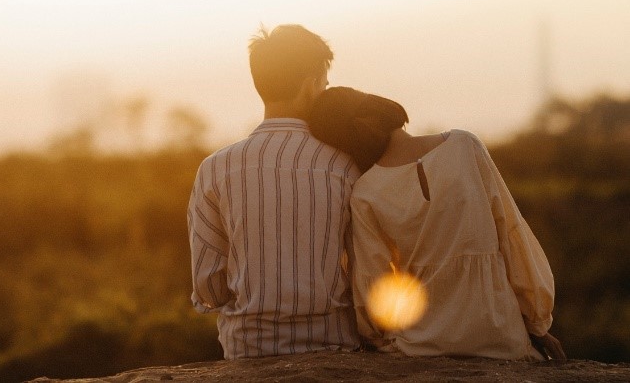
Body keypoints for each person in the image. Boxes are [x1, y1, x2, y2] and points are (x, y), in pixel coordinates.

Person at [307, 86, 567, 361]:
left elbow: (375, 286)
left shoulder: (365, 193)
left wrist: (377, 337)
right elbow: (512, 235)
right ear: (379, 105)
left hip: (420, 345)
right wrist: (537, 324)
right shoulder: (465, 146)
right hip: (500, 336)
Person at [187, 25, 360, 359]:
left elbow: (208, 286)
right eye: (324, 84)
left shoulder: (215, 168)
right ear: (311, 85)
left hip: (248, 349)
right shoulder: (345, 165)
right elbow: (364, 269)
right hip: (334, 346)